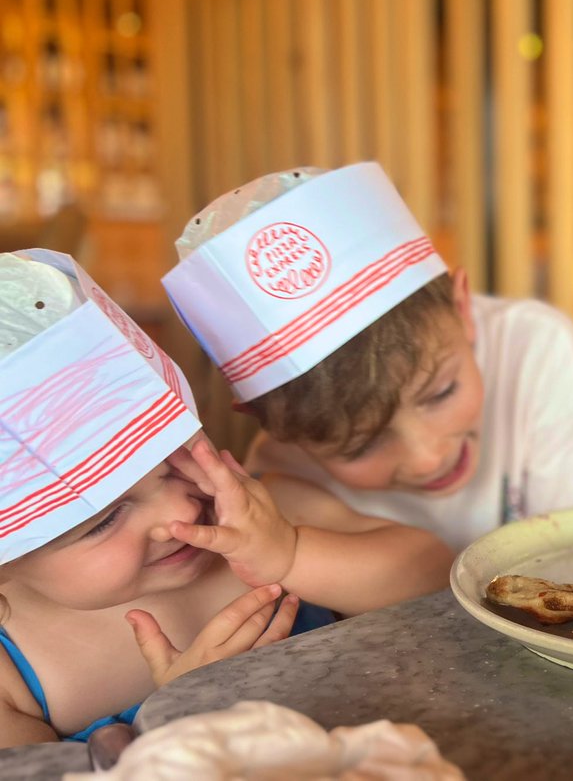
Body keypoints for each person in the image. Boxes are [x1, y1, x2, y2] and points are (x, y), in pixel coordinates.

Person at [0, 250, 453, 748]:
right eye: (104, 521)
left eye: (177, 464)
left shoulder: (264, 514)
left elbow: (436, 575)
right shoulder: (12, 674)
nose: (182, 511)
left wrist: (292, 553)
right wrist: (173, 718)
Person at [163, 163, 573, 552]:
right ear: (276, 427)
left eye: (441, 392)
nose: (427, 456)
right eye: (362, 444)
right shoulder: (284, 479)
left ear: (462, 308)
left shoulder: (534, 349)